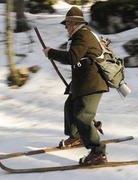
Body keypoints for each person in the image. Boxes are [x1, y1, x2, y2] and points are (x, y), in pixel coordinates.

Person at [42, 6, 109, 165]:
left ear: (74, 23)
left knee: (82, 116)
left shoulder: (83, 35)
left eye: (67, 24)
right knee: (70, 106)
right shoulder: (80, 35)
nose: (66, 28)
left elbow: (72, 58)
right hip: (83, 82)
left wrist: (51, 53)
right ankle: (76, 137)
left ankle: (98, 152)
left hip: (92, 83)